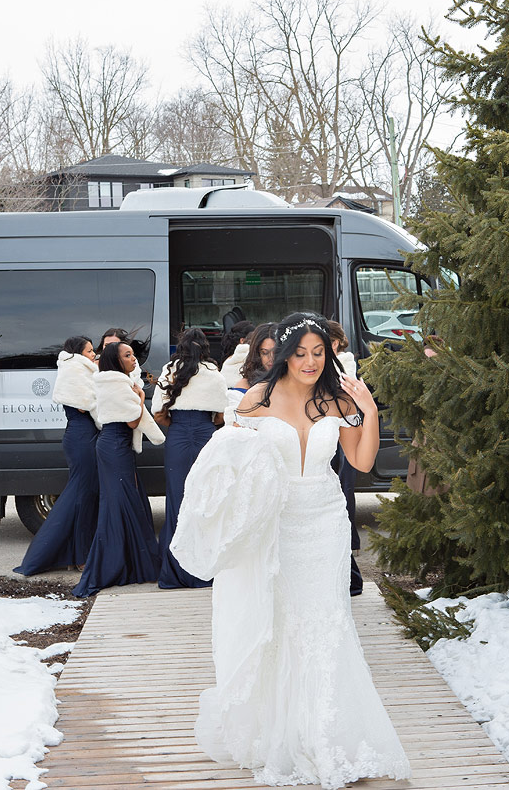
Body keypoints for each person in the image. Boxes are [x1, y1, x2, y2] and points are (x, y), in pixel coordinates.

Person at [170, 312, 411, 789]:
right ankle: (281, 732)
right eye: (300, 353)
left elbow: (361, 462)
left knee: (327, 624)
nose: (310, 362)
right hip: (277, 524)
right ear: (283, 354)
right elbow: (233, 461)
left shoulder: (339, 398)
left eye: (319, 353)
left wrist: (371, 412)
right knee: (280, 622)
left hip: (324, 522)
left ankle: (327, 735)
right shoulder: (257, 397)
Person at [73, 341, 163, 598]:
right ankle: (118, 564)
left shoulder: (106, 381)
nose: (134, 359)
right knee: (120, 503)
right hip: (115, 447)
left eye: (133, 354)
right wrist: (142, 396)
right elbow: (134, 419)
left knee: (121, 502)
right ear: (116, 360)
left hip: (112, 445)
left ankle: (128, 562)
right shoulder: (117, 384)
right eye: (128, 355)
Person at [14, 336, 99, 576]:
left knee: (85, 495)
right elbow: (84, 405)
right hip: (82, 436)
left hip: (85, 434)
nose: (94, 355)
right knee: (81, 496)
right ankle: (78, 555)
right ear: (78, 353)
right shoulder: (73, 370)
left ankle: (76, 554)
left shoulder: (79, 369)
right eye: (90, 351)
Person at [151, 328, 228, 589]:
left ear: (181, 346)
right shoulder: (214, 374)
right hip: (206, 437)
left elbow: (158, 414)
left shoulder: (171, 370)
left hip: (179, 438)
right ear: (205, 347)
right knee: (206, 501)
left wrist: (177, 425)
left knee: (177, 500)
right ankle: (204, 569)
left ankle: (173, 570)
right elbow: (221, 416)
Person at [326, 320, 362, 597]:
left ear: (335, 343)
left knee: (343, 489)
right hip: (330, 433)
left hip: (342, 434)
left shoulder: (345, 367)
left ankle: (348, 547)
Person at [223, 322, 277, 424]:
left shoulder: (295, 381)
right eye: (265, 353)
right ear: (257, 354)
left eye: (276, 352)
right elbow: (234, 426)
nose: (271, 359)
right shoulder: (244, 386)